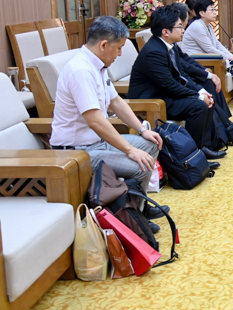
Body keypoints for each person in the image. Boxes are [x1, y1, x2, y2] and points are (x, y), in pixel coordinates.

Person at [49, 16, 169, 229]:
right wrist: (129, 150)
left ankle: (138, 208)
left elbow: (116, 102)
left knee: (150, 144)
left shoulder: (97, 66)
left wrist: (142, 130)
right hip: (77, 151)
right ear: (104, 45)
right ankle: (133, 220)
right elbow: (95, 120)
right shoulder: (81, 70)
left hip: (97, 143)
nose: (120, 54)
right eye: (119, 47)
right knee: (140, 165)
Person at [128, 5, 226, 163]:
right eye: (180, 27)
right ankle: (192, 155)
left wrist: (200, 91)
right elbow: (169, 84)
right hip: (152, 100)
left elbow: (182, 75)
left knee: (206, 98)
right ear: (165, 32)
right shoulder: (154, 52)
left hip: (165, 94)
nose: (183, 30)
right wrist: (197, 96)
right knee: (198, 106)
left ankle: (203, 147)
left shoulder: (169, 45)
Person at [170, 2, 233, 144]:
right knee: (211, 82)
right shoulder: (195, 28)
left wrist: (208, 71)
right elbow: (203, 53)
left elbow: (186, 59)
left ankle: (225, 124)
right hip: (201, 61)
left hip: (199, 64)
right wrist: (207, 76)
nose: (184, 29)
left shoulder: (174, 43)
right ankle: (218, 131)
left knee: (213, 80)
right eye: (181, 24)